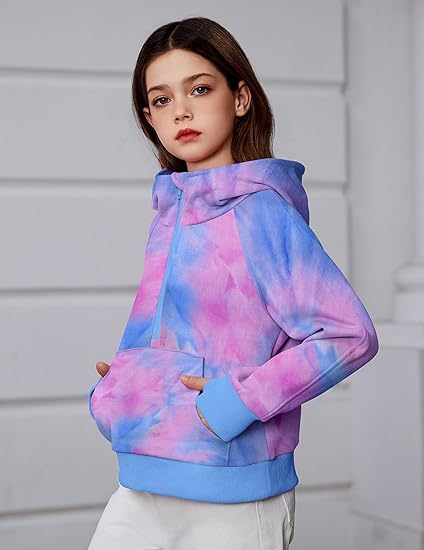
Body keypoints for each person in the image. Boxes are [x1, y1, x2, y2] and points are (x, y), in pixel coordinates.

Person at [86, 15, 379, 550]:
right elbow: (179, 337)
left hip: (235, 495)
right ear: (149, 118)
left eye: (199, 89)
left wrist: (235, 402)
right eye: (161, 99)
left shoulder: (261, 212)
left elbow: (349, 335)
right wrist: (126, 385)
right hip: (143, 480)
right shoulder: (170, 212)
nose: (181, 111)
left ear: (240, 98)